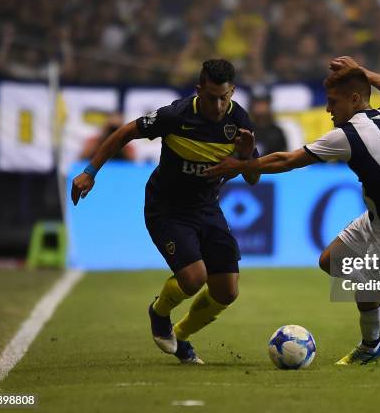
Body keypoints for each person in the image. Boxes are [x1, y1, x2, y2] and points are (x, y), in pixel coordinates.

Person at [206, 56, 380, 365]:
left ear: (353, 99)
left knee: (364, 292)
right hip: (378, 219)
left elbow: (289, 160)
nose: (328, 109)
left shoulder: (349, 134)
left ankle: (370, 346)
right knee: (329, 261)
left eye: (333, 102)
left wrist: (241, 165)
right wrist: (362, 71)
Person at [71, 59, 259, 364]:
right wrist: (90, 171)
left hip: (206, 208)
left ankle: (181, 336)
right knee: (195, 278)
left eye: (224, 97)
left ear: (233, 91)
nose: (218, 105)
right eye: (211, 97)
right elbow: (124, 134)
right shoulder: (176, 115)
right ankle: (159, 311)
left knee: (227, 291)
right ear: (199, 90)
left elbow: (253, 177)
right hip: (167, 207)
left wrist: (247, 155)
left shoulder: (240, 121)